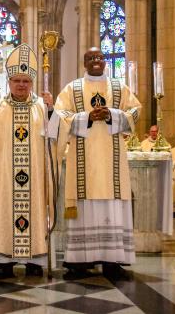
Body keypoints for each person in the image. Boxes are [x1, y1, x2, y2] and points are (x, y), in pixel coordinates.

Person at [50, 47, 141, 279]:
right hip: (82, 164)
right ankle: (80, 261)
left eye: (99, 57)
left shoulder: (119, 87)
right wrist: (87, 117)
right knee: (82, 207)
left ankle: (112, 261)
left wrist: (111, 114)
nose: (96, 61)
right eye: (91, 58)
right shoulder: (72, 88)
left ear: (105, 61)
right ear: (84, 62)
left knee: (111, 205)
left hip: (112, 164)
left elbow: (135, 111)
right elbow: (59, 117)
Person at [0, 43, 54, 279]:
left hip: (35, 175)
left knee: (35, 209)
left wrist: (52, 112)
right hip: (5, 174)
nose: (21, 85)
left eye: (26, 81)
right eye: (17, 80)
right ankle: (3, 260)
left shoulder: (42, 107)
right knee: (4, 210)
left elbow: (56, 136)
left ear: (32, 83)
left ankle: (34, 259)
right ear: (9, 82)